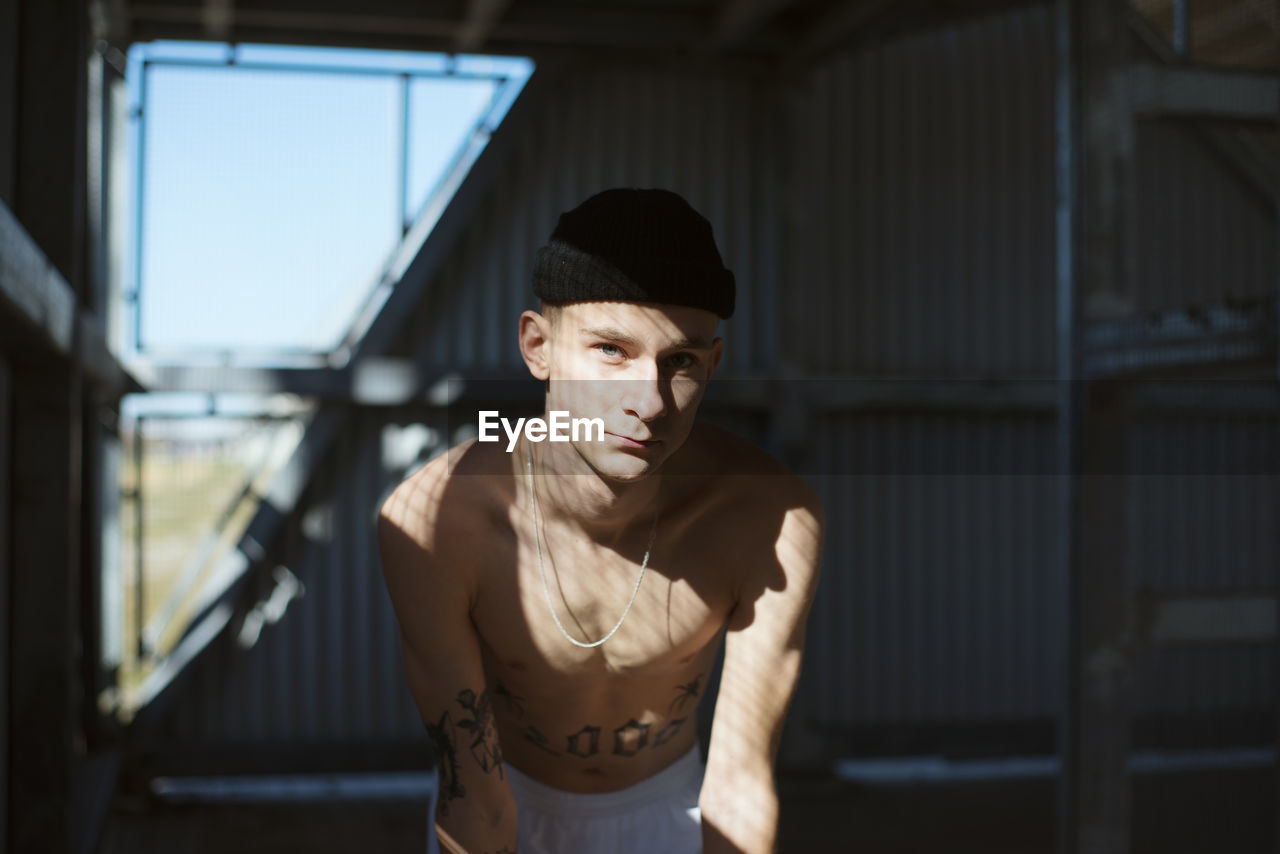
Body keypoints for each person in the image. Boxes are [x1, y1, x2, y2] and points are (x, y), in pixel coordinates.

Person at [378, 188, 824, 854]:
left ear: (713, 364)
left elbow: (739, 785)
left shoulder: (769, 516)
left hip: (674, 810)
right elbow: (474, 797)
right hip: (509, 800)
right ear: (539, 347)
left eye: (680, 361)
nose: (647, 402)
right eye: (612, 351)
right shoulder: (439, 524)